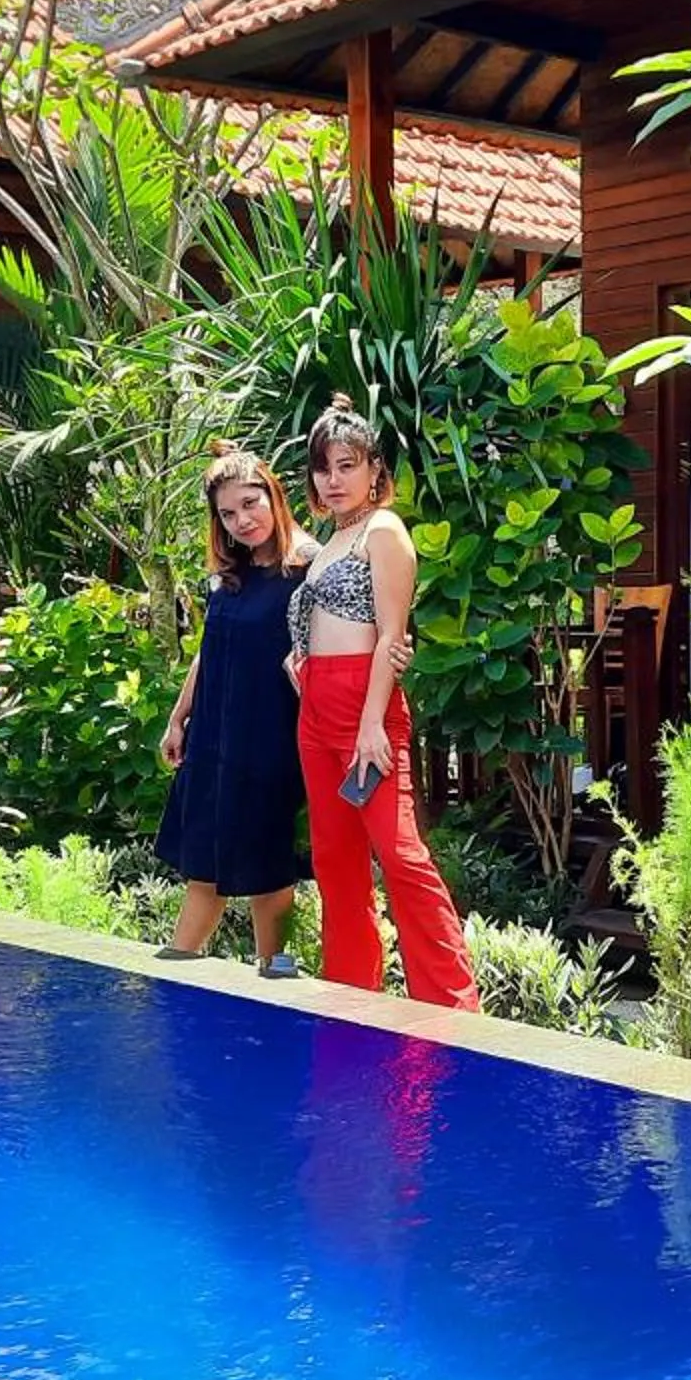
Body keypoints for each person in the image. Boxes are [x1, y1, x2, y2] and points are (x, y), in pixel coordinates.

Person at [286, 396, 480, 1009]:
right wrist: (300, 661)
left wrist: (373, 722)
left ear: (375, 470)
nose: (333, 479)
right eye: (323, 468)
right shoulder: (332, 537)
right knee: (334, 860)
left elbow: (392, 636)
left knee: (399, 854)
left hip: (365, 711)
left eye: (347, 465)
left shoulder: (384, 530)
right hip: (315, 710)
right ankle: (351, 994)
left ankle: (453, 1003)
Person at [155, 445, 315, 976]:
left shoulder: (307, 567)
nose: (242, 520)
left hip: (268, 744)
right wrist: (180, 716)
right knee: (204, 867)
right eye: (228, 513)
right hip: (213, 740)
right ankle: (173, 983)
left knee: (268, 876)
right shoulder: (230, 575)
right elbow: (209, 648)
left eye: (251, 503)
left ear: (274, 495)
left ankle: (279, 978)